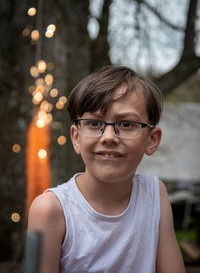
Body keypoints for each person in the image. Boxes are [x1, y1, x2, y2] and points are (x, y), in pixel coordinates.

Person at [28, 65, 186, 273]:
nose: (109, 137)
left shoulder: (155, 194)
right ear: (76, 137)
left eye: (127, 124)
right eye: (94, 123)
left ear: (152, 140)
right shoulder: (51, 210)